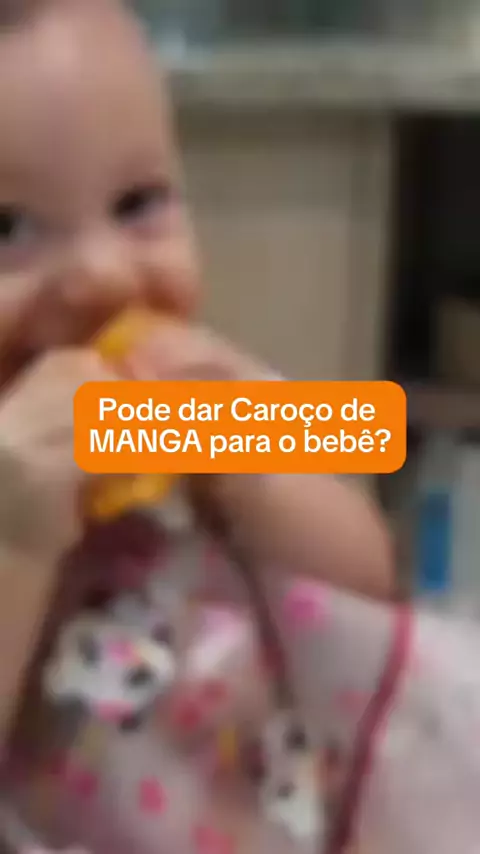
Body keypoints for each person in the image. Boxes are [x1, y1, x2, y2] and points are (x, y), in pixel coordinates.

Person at [0, 1, 402, 852]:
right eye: (7, 229)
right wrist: (15, 537)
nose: (105, 275)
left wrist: (250, 452)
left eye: (137, 202)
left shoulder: (206, 393)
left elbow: (372, 588)